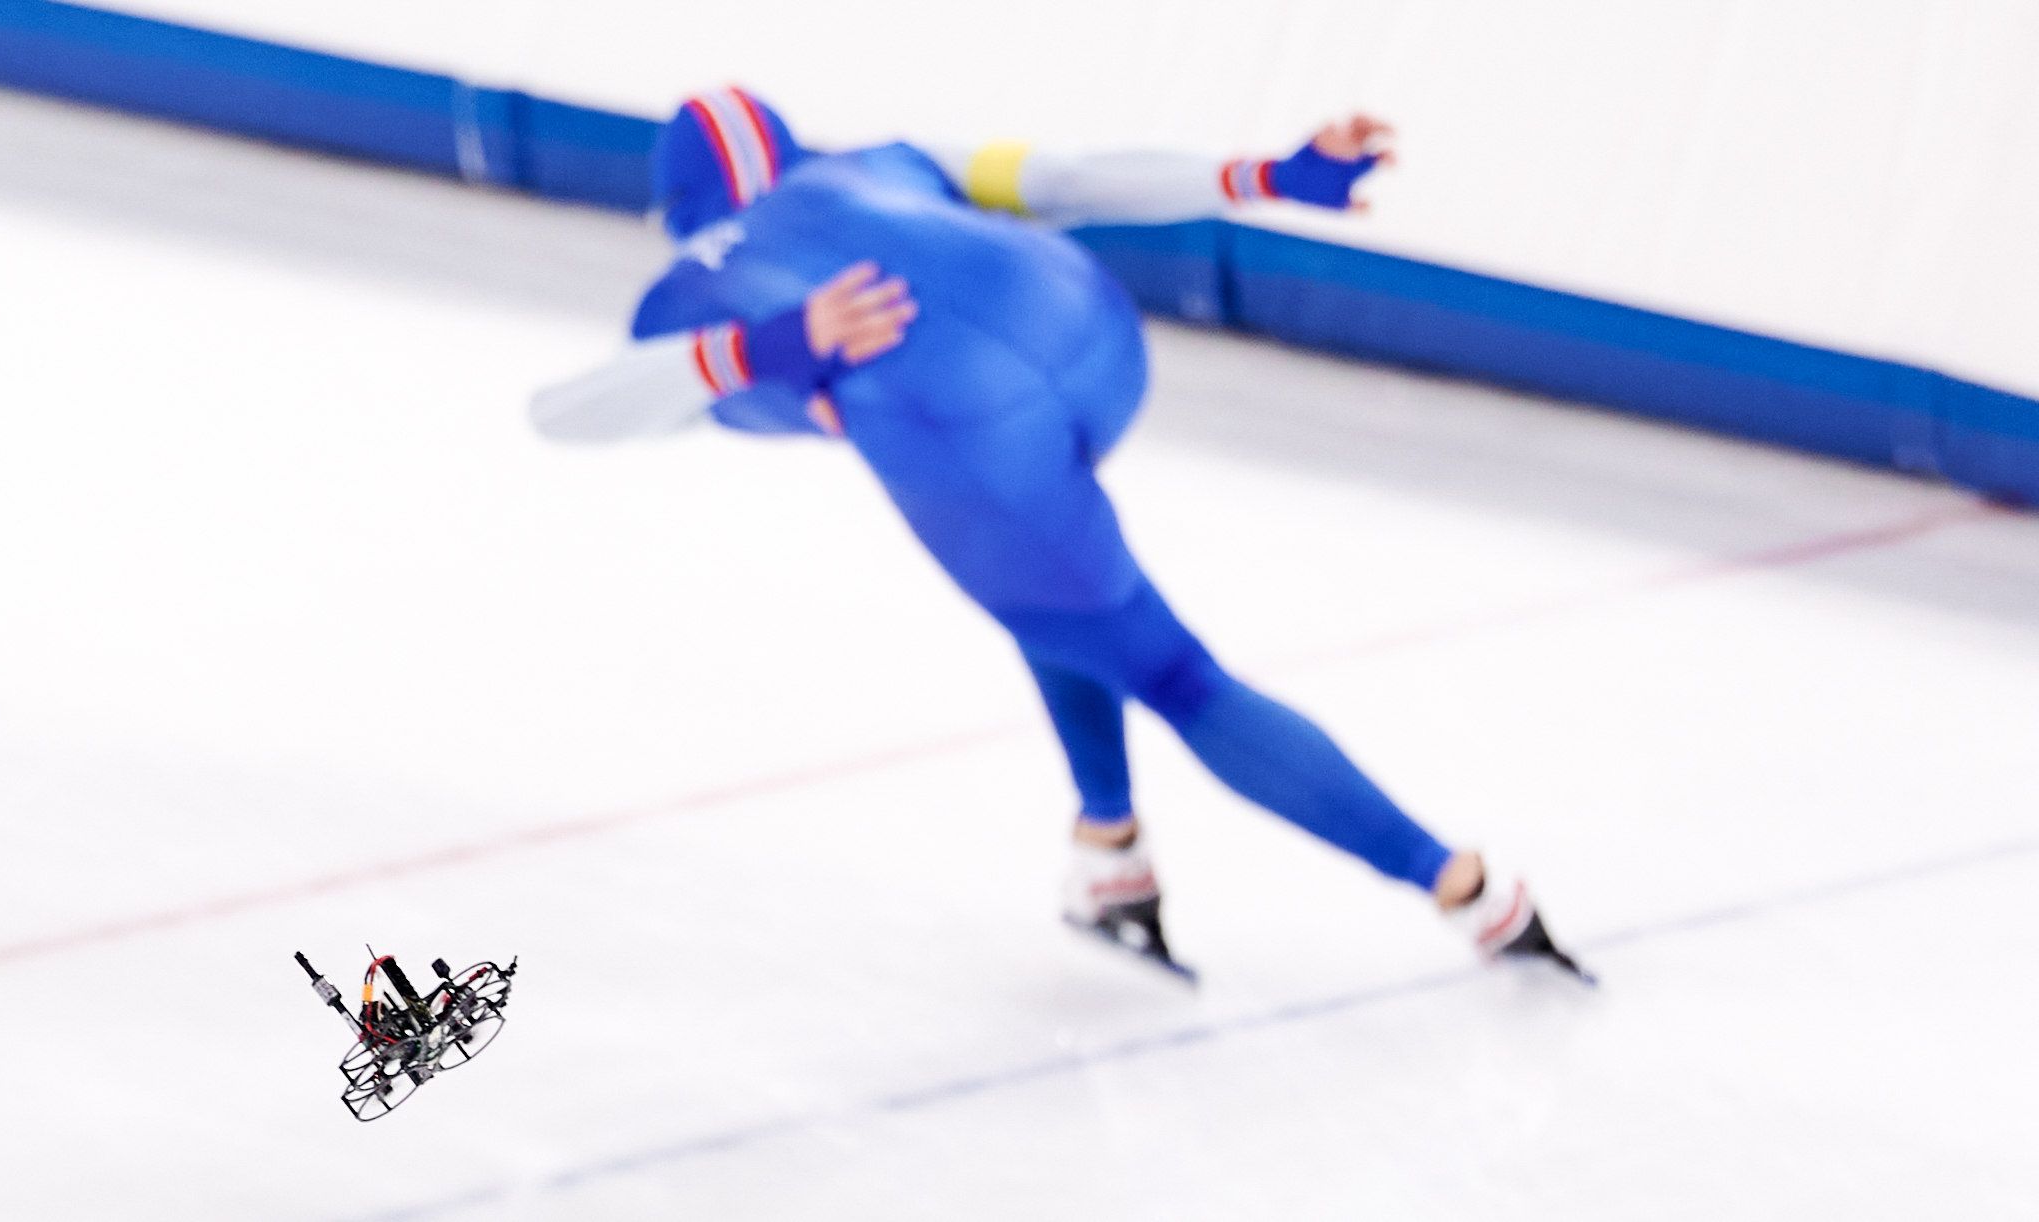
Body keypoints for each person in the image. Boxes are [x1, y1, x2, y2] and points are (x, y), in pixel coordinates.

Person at [532, 87, 1585, 981]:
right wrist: (1263, 177)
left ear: (678, 205)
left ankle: (1463, 887)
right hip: (1095, 336)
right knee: (1052, 594)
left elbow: (566, 411)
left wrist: (775, 344)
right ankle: (1109, 847)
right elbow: (1075, 180)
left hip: (973, 429)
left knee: (1169, 671)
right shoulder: (886, 163)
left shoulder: (691, 288)